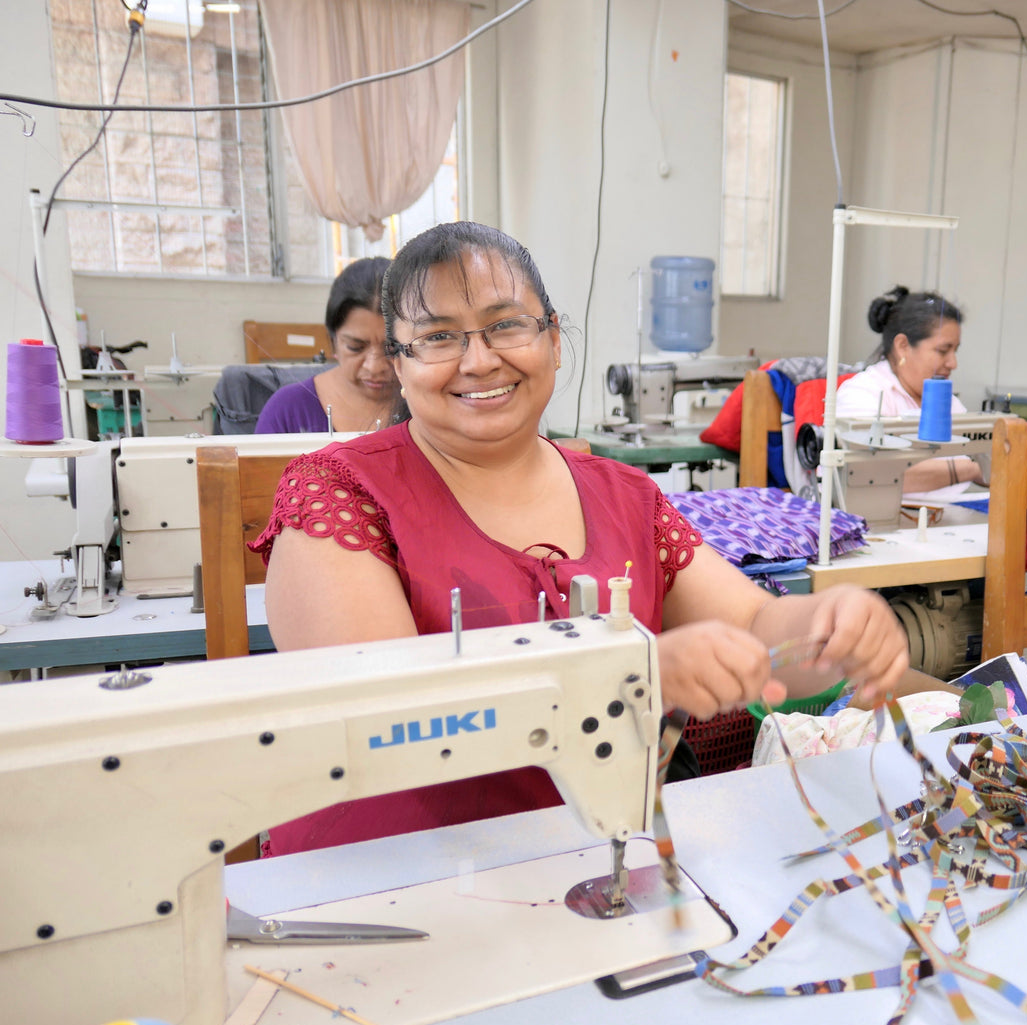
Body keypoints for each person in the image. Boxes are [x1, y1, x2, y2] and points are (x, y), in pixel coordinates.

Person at [251, 222, 911, 854]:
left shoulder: (626, 496)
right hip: (383, 883)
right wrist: (628, 677)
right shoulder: (336, 492)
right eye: (437, 337)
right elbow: (390, 717)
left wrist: (830, 626)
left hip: (583, 856)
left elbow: (758, 626)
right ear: (398, 362)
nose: (478, 361)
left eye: (506, 325)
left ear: (554, 340)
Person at [835, 286, 982, 492]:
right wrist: (975, 469)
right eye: (942, 350)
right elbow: (871, 473)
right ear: (903, 345)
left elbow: (982, 461)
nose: (953, 363)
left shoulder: (948, 403)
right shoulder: (862, 393)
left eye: (955, 351)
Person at [255, 257, 405, 433]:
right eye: (355, 347)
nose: (374, 367)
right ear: (332, 340)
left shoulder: (433, 407)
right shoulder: (287, 410)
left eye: (392, 348)